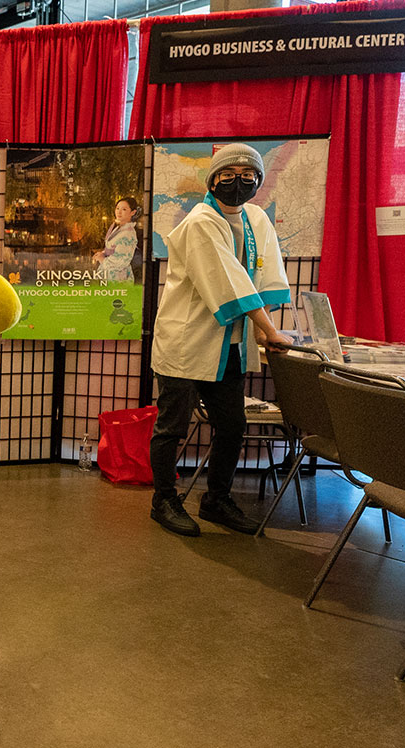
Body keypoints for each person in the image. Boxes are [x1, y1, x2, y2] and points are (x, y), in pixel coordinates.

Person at [147, 144, 291, 537]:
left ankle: (216, 499)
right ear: (212, 180)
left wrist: (268, 330)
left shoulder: (256, 218)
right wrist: (270, 330)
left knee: (232, 425)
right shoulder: (200, 221)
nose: (238, 182)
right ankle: (164, 499)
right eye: (228, 174)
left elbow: (264, 274)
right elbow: (230, 280)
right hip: (187, 340)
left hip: (229, 344)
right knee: (172, 427)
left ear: (259, 181)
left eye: (249, 174)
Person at [96, 196, 143, 282]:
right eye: (117, 208)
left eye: (124, 209)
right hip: (111, 273)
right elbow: (111, 247)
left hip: (118, 276)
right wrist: (102, 254)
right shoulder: (119, 228)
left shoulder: (128, 234)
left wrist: (102, 259)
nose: (119, 212)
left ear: (133, 212)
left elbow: (122, 260)